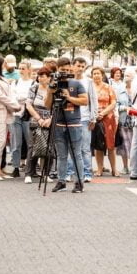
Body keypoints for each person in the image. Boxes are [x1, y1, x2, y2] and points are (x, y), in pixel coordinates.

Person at [46, 57, 88, 193]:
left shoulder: (76, 83)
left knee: (76, 154)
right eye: (62, 70)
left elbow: (85, 101)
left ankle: (79, 182)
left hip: (73, 123)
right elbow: (47, 105)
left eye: (67, 70)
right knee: (61, 155)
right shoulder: (54, 84)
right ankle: (61, 181)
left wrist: (69, 97)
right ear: (57, 69)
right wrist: (50, 92)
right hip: (58, 123)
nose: (65, 73)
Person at [67, 57, 98, 182]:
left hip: (85, 118)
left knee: (85, 147)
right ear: (73, 65)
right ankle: (69, 172)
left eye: (82, 66)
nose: (80, 68)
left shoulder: (88, 81)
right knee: (70, 147)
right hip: (70, 118)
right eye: (78, 65)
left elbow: (93, 99)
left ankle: (87, 173)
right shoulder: (68, 80)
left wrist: (93, 117)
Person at [24, 66, 54, 183]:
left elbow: (55, 107)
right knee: (33, 146)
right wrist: (39, 119)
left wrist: (50, 119)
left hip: (50, 121)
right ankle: (28, 173)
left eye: (42, 76)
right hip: (35, 121)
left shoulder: (53, 89)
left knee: (49, 147)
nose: (40, 78)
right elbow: (29, 105)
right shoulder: (34, 88)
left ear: (49, 78)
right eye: (39, 76)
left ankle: (46, 173)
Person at [8, 60, 34, 177]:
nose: (21, 70)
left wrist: (22, 98)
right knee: (16, 142)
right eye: (20, 68)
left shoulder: (33, 83)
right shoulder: (15, 82)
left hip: (28, 115)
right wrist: (21, 99)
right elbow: (13, 97)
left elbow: (30, 98)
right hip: (16, 115)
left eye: (23, 68)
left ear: (29, 70)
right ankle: (16, 167)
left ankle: (30, 167)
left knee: (30, 143)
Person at [91, 67, 117, 176]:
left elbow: (113, 102)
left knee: (110, 144)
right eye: (94, 73)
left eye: (98, 73)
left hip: (108, 118)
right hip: (94, 118)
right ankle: (99, 168)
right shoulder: (90, 88)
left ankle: (114, 169)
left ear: (102, 75)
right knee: (98, 145)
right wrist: (95, 114)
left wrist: (103, 113)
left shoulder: (108, 87)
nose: (96, 75)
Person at [110, 67, 131, 175]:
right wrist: (123, 108)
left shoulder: (124, 85)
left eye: (119, 73)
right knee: (117, 143)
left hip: (129, 120)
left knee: (128, 143)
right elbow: (113, 103)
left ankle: (129, 167)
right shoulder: (110, 84)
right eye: (116, 73)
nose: (118, 74)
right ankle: (116, 167)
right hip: (116, 118)